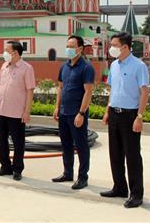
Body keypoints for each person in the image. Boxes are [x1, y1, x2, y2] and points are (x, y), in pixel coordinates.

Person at [100, 32, 149, 209]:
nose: (111, 48)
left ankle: (136, 194)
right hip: (114, 113)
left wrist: (139, 117)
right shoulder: (114, 65)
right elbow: (113, 90)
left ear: (125, 47)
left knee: (132, 155)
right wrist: (107, 111)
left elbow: (144, 92)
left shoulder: (139, 66)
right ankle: (119, 187)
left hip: (130, 115)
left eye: (114, 45)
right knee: (115, 154)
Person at [52, 35, 95, 190]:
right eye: (67, 46)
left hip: (77, 114)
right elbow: (60, 88)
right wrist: (57, 107)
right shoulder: (64, 67)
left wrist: (81, 113)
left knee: (81, 145)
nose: (69, 49)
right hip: (64, 113)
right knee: (66, 145)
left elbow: (88, 92)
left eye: (72, 47)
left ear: (80, 49)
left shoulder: (86, 67)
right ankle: (67, 172)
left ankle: (83, 177)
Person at [0, 41, 35, 181]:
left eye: (6, 50)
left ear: (15, 53)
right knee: (1, 141)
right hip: (1, 111)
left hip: (16, 113)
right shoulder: (4, 66)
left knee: (18, 143)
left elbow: (30, 90)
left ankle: (17, 169)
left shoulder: (27, 68)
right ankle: (5, 166)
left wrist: (27, 111)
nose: (4, 53)